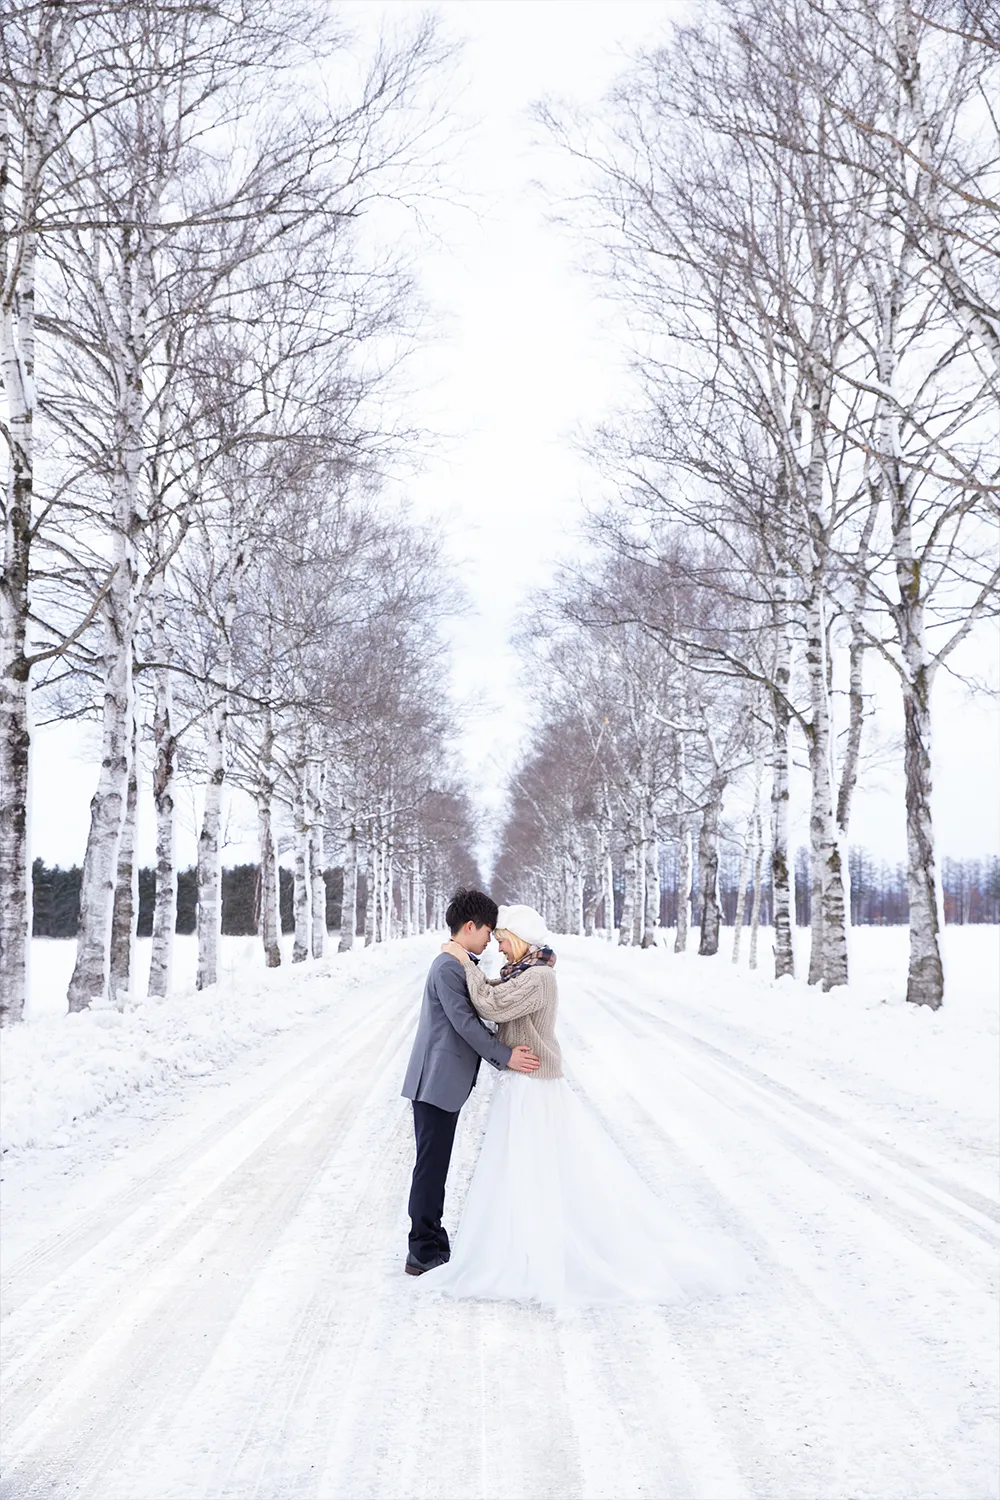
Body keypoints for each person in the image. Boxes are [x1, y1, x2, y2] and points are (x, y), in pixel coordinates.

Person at [418, 902, 748, 1307]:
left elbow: (490, 1005)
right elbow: (492, 993)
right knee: (518, 1169)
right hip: (522, 1083)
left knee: (536, 1169)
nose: (498, 948)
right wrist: (462, 962)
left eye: (502, 940)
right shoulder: (520, 972)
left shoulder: (538, 977)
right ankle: (519, 1246)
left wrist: (459, 957)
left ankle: (539, 1253)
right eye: (496, 939)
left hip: (533, 1086)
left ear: (518, 939)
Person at [400, 888, 540, 1277]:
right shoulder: (447, 967)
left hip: (440, 1082)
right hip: (434, 1083)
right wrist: (505, 1055)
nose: (491, 940)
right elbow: (464, 1023)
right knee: (430, 1168)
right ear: (470, 926)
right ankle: (422, 1250)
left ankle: (433, 1240)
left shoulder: (456, 962)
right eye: (488, 932)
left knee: (434, 1165)